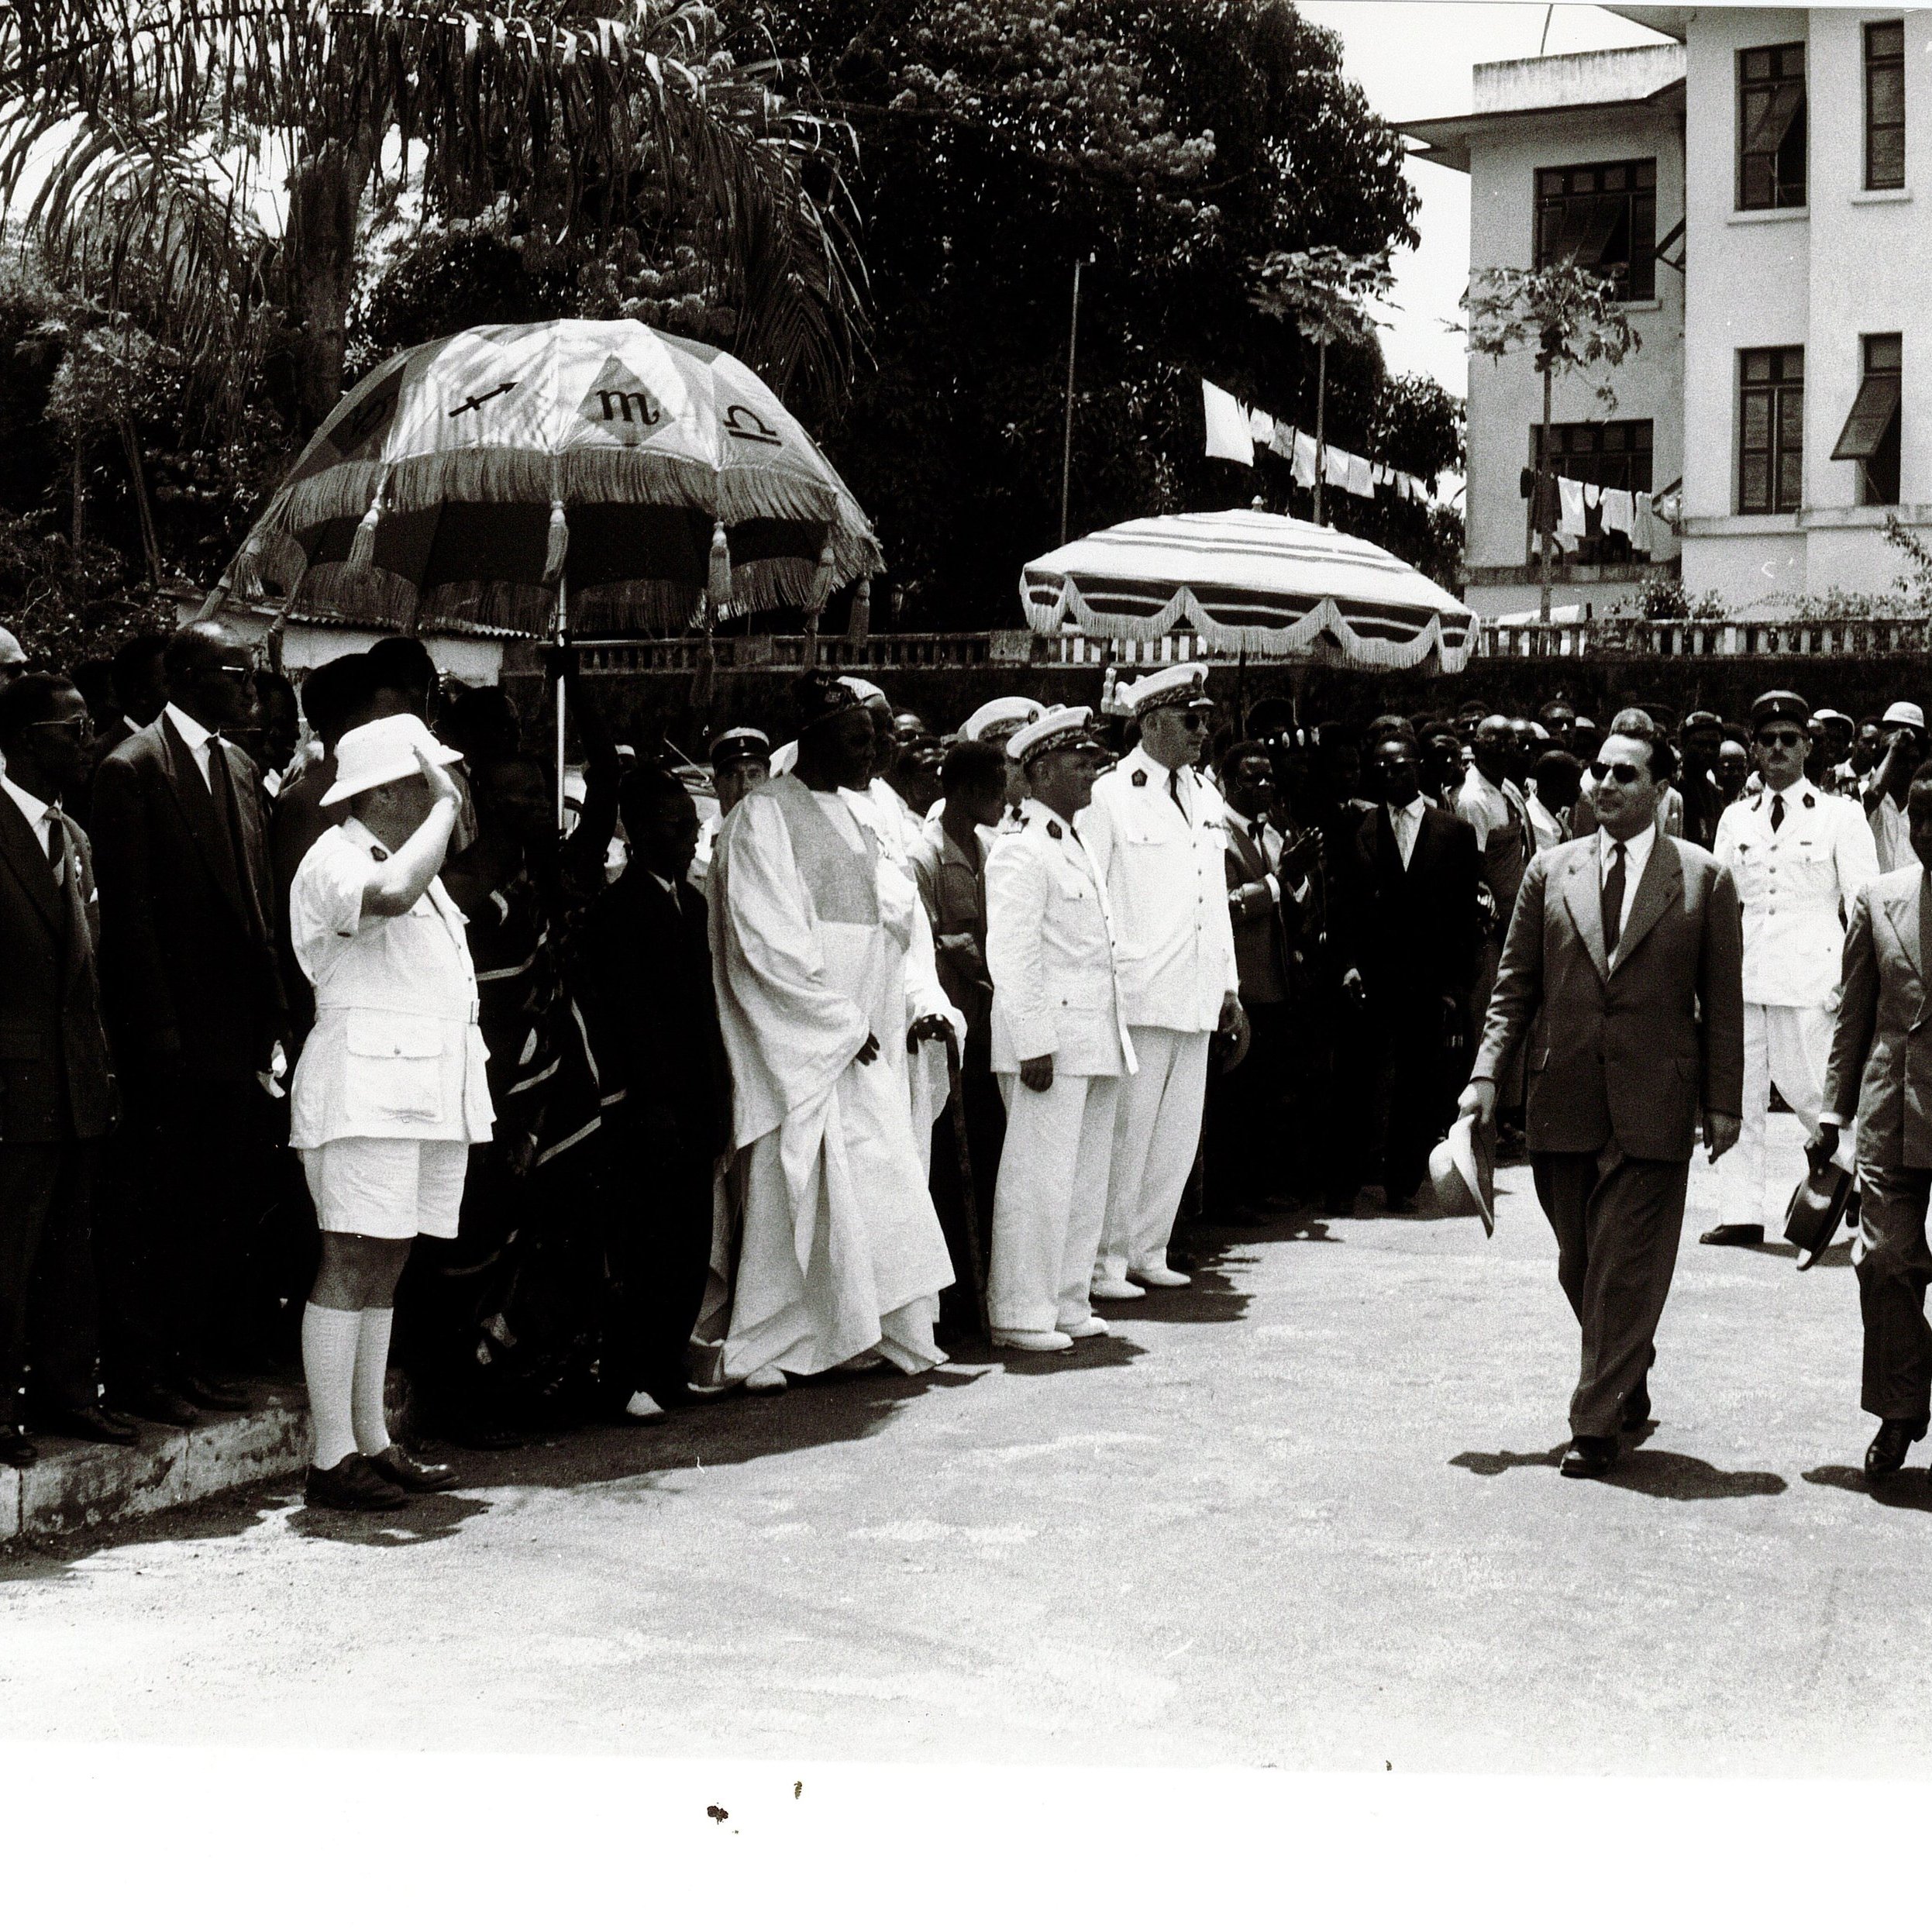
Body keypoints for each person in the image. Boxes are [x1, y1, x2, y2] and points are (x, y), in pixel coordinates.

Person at [1460, 709, 1744, 1479]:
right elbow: (1514, 987)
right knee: (1577, 1261)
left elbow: (1721, 1000)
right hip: (1565, 1091)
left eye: (1626, 773)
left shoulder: (1703, 877)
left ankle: (1593, 1420)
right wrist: (1486, 1075)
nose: (1605, 783)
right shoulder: (1552, 871)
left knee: (1624, 1261)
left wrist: (1724, 1101)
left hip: (1657, 1095)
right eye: (1600, 770)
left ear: (1660, 788)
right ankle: (1628, 1365)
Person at [700, 673, 954, 1388]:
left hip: (865, 1034)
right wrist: (835, 1023)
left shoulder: (859, 815)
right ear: (812, 740)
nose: (870, 753)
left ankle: (870, 1333)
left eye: (873, 739)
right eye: (856, 738)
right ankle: (771, 1345)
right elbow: (764, 941)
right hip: (805, 1043)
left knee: (881, 1179)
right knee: (797, 1192)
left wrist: (891, 1009)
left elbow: (895, 928)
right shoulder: (761, 817)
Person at [286, 711, 491, 1510]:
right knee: (348, 1262)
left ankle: (371, 1441)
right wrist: (444, 809)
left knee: (386, 1265)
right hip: (364, 1094)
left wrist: (440, 815)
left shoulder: (408, 856)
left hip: (418, 1094)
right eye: (433, 780)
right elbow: (392, 896)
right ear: (393, 791)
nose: (451, 791)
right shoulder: (336, 858)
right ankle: (330, 1458)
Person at [90, 623, 286, 1423]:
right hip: (171, 1037)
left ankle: (190, 1354)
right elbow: (131, 917)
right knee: (156, 1206)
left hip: (236, 1034)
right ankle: (143, 1370)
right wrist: (159, 1030)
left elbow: (256, 900)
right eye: (234, 674)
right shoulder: (130, 771)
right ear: (185, 678)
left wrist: (272, 1016)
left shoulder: (240, 767)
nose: (249, 688)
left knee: (215, 1205)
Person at [0, 675, 134, 1466]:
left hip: (76, 1083)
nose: (87, 741)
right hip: (10, 1086)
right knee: (5, 1257)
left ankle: (69, 1396)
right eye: (71, 730)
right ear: (21, 741)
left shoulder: (76, 839)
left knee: (69, 1252)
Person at [1080, 663, 1241, 1299]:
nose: (1203, 731)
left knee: (1176, 1135)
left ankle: (1149, 1247)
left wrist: (1228, 985)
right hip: (1140, 992)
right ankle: (1103, 1261)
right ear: (1149, 724)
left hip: (1196, 989)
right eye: (1190, 719)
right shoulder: (1109, 795)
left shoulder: (1204, 792)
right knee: (1127, 1135)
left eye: (1205, 719)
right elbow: (1096, 897)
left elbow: (1215, 897)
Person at [583, 764, 732, 1420]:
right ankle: (630, 1375)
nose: (690, 839)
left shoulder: (692, 903)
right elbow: (627, 1020)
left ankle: (667, 1366)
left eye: (694, 826)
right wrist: (649, 1102)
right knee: (644, 1246)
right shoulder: (617, 910)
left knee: (688, 1244)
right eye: (676, 827)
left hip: (696, 1101)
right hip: (651, 1108)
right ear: (639, 833)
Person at [983, 707, 1135, 1351]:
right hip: (1049, 1043)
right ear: (1039, 771)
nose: (1090, 778)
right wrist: (1034, 1041)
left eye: (1093, 766)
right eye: (1078, 767)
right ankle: (1019, 1311)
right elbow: (1012, 954)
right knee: (1037, 1183)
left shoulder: (1070, 841)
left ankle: (1067, 1298)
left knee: (1082, 1179)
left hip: (1093, 1036)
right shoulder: (1022, 849)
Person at [1704, 691, 1876, 1246]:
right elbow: (1718, 902)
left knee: (1813, 1094)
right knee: (1739, 1094)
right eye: (1768, 740)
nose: (1778, 749)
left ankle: (1862, 1183)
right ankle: (1740, 1209)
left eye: (1789, 739)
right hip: (1746, 972)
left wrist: (1853, 983)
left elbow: (1863, 905)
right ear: (1753, 748)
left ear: (1808, 747)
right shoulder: (1735, 817)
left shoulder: (1838, 814)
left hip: (1811, 976)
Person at [1814, 762, 1932, 1475]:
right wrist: (1831, 1112)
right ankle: (1899, 1404)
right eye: (1919, 818)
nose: (1928, 832)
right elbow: (1853, 1012)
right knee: (1884, 1262)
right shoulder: (1877, 897)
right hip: (1891, 1109)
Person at [1331, 732, 1482, 1213]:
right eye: (1380, 768)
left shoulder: (1453, 832)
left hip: (1427, 979)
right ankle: (1344, 1184)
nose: (1390, 775)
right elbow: (1343, 906)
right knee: (1357, 1081)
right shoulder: (1357, 827)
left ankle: (1402, 1183)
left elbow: (1464, 917)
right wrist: (1349, 964)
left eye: (1399, 767)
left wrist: (1456, 988)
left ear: (1417, 768)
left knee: (1418, 1083)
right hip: (1370, 979)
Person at [912, 736, 1010, 1313]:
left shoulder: (992, 850)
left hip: (989, 1032)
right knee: (948, 1169)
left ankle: (982, 1286)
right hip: (951, 1036)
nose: (1005, 800)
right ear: (970, 790)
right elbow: (926, 943)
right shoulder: (922, 855)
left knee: (990, 1154)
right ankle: (950, 1299)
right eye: (997, 789)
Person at [1211, 738, 1318, 1221]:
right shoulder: (1220, 835)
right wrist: (1278, 881)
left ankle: (1258, 1185)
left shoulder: (1273, 834)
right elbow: (1226, 905)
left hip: (1278, 982)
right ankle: (1227, 1196)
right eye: (1252, 778)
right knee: (1235, 1098)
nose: (1264, 785)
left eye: (1268, 776)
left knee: (1267, 1095)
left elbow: (1295, 902)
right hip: (1241, 985)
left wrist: (1297, 876)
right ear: (1229, 783)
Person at [692, 725, 771, 890]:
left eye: (754, 774)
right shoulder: (697, 847)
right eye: (732, 776)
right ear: (716, 785)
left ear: (768, 781)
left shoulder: (785, 840)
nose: (745, 786)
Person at [1862, 701, 1926, 871]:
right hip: (1873, 895)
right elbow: (1873, 795)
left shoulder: (1924, 805)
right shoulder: (1864, 790)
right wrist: (1894, 749)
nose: (1909, 767)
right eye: (1901, 760)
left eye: (1913, 760)